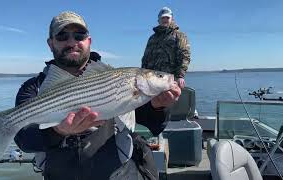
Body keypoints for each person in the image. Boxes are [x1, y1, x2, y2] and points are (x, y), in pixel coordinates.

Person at [14, 11, 181, 180]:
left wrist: (159, 107)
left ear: (89, 41)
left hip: (118, 174)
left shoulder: (115, 77)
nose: (72, 42)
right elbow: (23, 139)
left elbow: (154, 124)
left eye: (79, 35)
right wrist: (58, 131)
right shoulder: (33, 88)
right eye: (62, 36)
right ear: (50, 44)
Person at [141, 7, 191, 88]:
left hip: (169, 80)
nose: (165, 19)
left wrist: (180, 76)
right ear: (158, 20)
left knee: (168, 100)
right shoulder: (152, 38)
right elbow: (145, 58)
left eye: (167, 17)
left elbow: (184, 55)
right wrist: (143, 76)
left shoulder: (179, 35)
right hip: (151, 81)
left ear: (172, 19)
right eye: (162, 18)